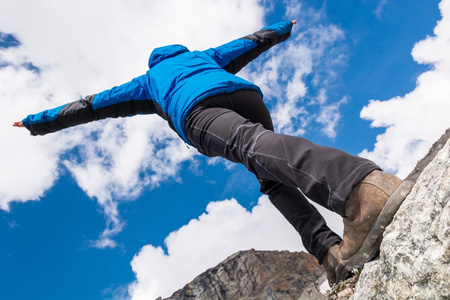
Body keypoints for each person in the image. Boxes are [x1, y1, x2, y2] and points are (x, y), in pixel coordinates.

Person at [13, 20, 413, 285]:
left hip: (198, 111)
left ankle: (362, 190)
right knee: (270, 173)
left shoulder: (149, 80)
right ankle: (332, 256)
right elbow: (249, 43)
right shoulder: (202, 56)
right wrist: (281, 30)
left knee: (251, 146)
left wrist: (37, 121)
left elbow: (91, 104)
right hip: (245, 97)